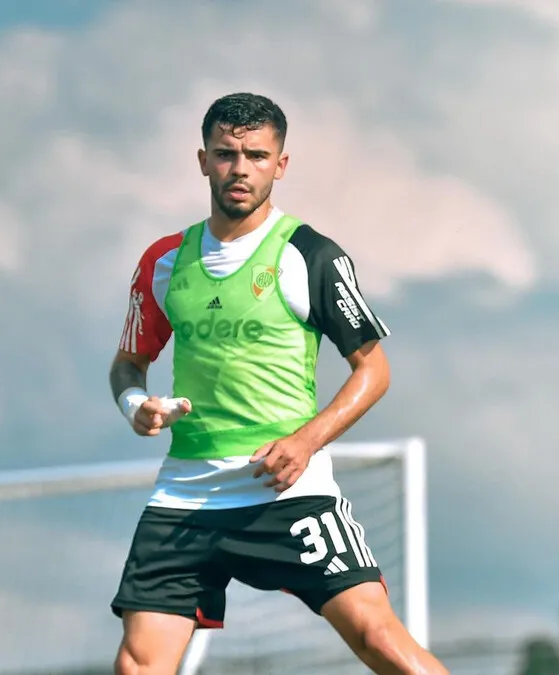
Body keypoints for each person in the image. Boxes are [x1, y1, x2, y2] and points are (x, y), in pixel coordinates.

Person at [109, 93, 447, 675]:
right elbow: (127, 364)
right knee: (139, 664)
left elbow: (374, 370)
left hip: (286, 490)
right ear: (202, 160)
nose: (240, 168)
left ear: (280, 165)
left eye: (257, 155)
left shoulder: (308, 254)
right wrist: (136, 404)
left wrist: (306, 442)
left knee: (377, 639)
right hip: (186, 493)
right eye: (226, 154)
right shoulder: (164, 261)